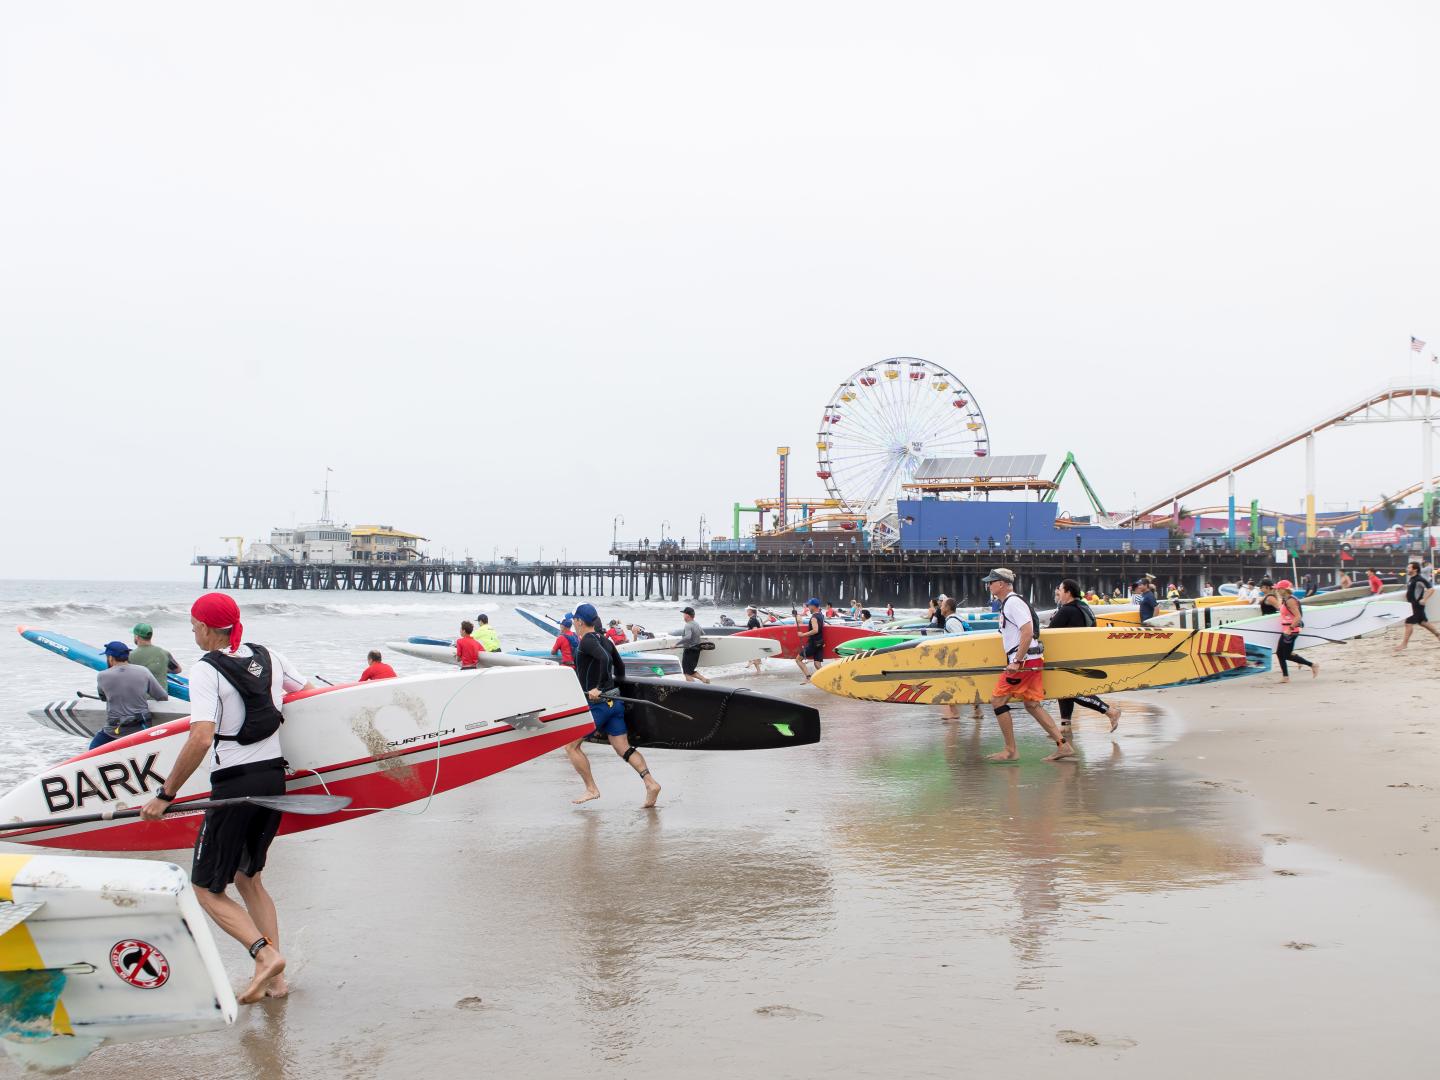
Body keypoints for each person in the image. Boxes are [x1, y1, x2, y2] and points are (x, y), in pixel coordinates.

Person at [140, 592, 312, 1004]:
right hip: (274, 779)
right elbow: (311, 697)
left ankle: (265, 956)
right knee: (248, 878)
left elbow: (201, 736)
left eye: (194, 624)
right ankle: (277, 983)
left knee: (204, 888)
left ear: (207, 628)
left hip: (235, 787)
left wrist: (165, 794)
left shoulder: (205, 671)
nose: (193, 630)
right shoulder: (272, 656)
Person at [564, 603, 661, 807]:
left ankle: (591, 789)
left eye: (574, 619)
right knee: (623, 747)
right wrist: (614, 687)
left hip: (598, 705)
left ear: (580, 621)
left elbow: (604, 658)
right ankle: (651, 783)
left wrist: (598, 687)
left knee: (571, 745)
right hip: (613, 703)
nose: (573, 622)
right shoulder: (605, 639)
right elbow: (620, 666)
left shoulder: (587, 641)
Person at [981, 569, 1072, 762]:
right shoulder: (1009, 603)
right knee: (1031, 704)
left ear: (1002, 584)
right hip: (1031, 659)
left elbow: (1027, 632)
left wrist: (1016, 661)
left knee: (997, 701)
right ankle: (1063, 746)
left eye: (991, 582)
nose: (989, 585)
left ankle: (1010, 750)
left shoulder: (1013, 603)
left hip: (1024, 662)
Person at [1047, 580, 1121, 736]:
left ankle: (1110, 711)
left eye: (1059, 589)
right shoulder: (1083, 607)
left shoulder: (1067, 610)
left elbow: (1049, 633)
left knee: (1072, 692)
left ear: (1068, 592)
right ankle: (1065, 726)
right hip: (1080, 654)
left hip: (1068, 657)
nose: (1058, 592)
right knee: (1063, 691)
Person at [92, 640, 168, 749]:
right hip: (140, 729)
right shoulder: (143, 671)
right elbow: (162, 696)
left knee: (92, 751)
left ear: (110, 658)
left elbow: (103, 697)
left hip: (113, 732)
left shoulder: (102, 676)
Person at [1272, 580, 1319, 681]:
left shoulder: (1290, 600)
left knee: (1285, 654)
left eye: (1279, 589)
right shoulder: (1286, 599)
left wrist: (1290, 628)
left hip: (1291, 631)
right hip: (1287, 630)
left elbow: (1298, 616)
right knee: (1280, 653)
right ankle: (1286, 676)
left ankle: (1312, 665)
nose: (1277, 590)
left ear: (1285, 589)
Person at [1395, 562, 1440, 651]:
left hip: (1416, 605)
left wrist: (1424, 599)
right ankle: (1438, 635)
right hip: (1413, 604)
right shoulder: (1411, 579)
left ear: (1415, 569)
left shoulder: (1419, 579)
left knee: (1408, 624)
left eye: (1409, 568)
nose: (1407, 569)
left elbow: (1431, 589)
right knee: (1423, 622)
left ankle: (1404, 644)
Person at [677, 606, 711, 684]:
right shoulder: (697, 624)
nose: (683, 616)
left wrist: (676, 644)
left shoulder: (688, 625)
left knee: (686, 673)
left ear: (687, 615)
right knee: (690, 671)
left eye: (684, 614)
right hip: (696, 650)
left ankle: (693, 688)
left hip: (689, 651)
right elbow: (703, 634)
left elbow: (688, 637)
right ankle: (704, 679)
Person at [795, 598, 825, 680]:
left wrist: (802, 635)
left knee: (798, 660)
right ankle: (826, 677)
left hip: (813, 643)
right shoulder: (821, 616)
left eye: (809, 605)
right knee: (817, 664)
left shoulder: (814, 617)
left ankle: (808, 677)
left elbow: (815, 630)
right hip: (820, 642)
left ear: (813, 606)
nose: (808, 607)